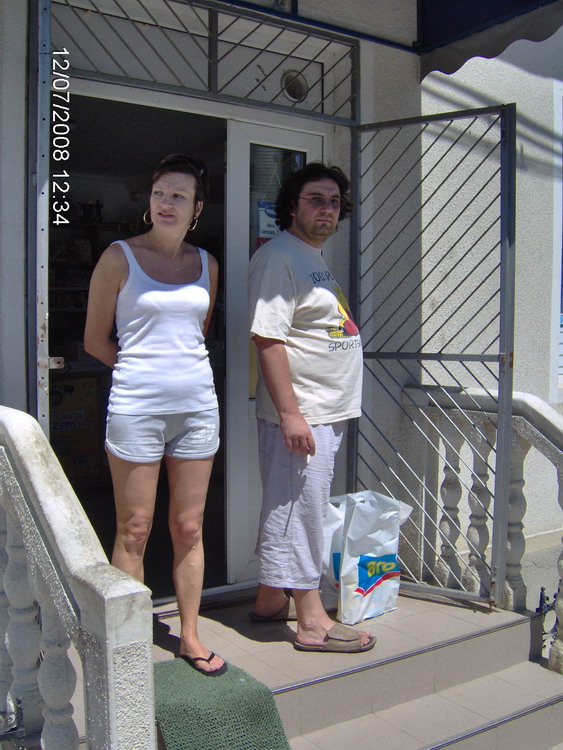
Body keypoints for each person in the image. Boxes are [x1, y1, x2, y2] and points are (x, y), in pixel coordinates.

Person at [84, 154, 226, 676]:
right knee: (135, 528)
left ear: (197, 208)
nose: (167, 203)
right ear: (149, 200)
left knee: (189, 525)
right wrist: (142, 373)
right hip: (137, 410)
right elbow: (95, 340)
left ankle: (190, 635)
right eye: (161, 193)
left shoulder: (207, 264)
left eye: (179, 196)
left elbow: (197, 334)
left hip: (197, 410)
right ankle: (127, 648)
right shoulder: (119, 257)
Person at [247, 161, 376, 653]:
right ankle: (311, 620)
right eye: (316, 199)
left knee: (294, 504)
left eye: (334, 202)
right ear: (292, 207)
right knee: (300, 511)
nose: (327, 209)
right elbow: (268, 338)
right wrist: (291, 414)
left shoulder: (308, 256)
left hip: (323, 410)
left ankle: (269, 599)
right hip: (305, 414)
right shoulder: (279, 256)